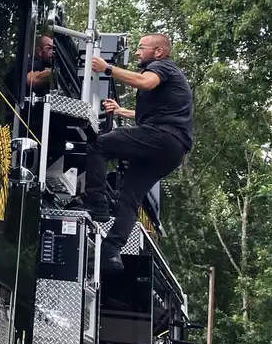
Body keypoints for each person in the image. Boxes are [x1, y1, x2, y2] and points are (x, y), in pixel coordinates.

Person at [82, 33, 193, 274]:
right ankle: (111, 252)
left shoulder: (161, 67)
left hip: (162, 136)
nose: (137, 52)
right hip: (172, 150)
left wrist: (107, 68)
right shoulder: (172, 78)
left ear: (159, 51)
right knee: (130, 197)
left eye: (142, 48)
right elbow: (157, 114)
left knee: (99, 146)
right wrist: (122, 111)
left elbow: (146, 83)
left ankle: (96, 203)